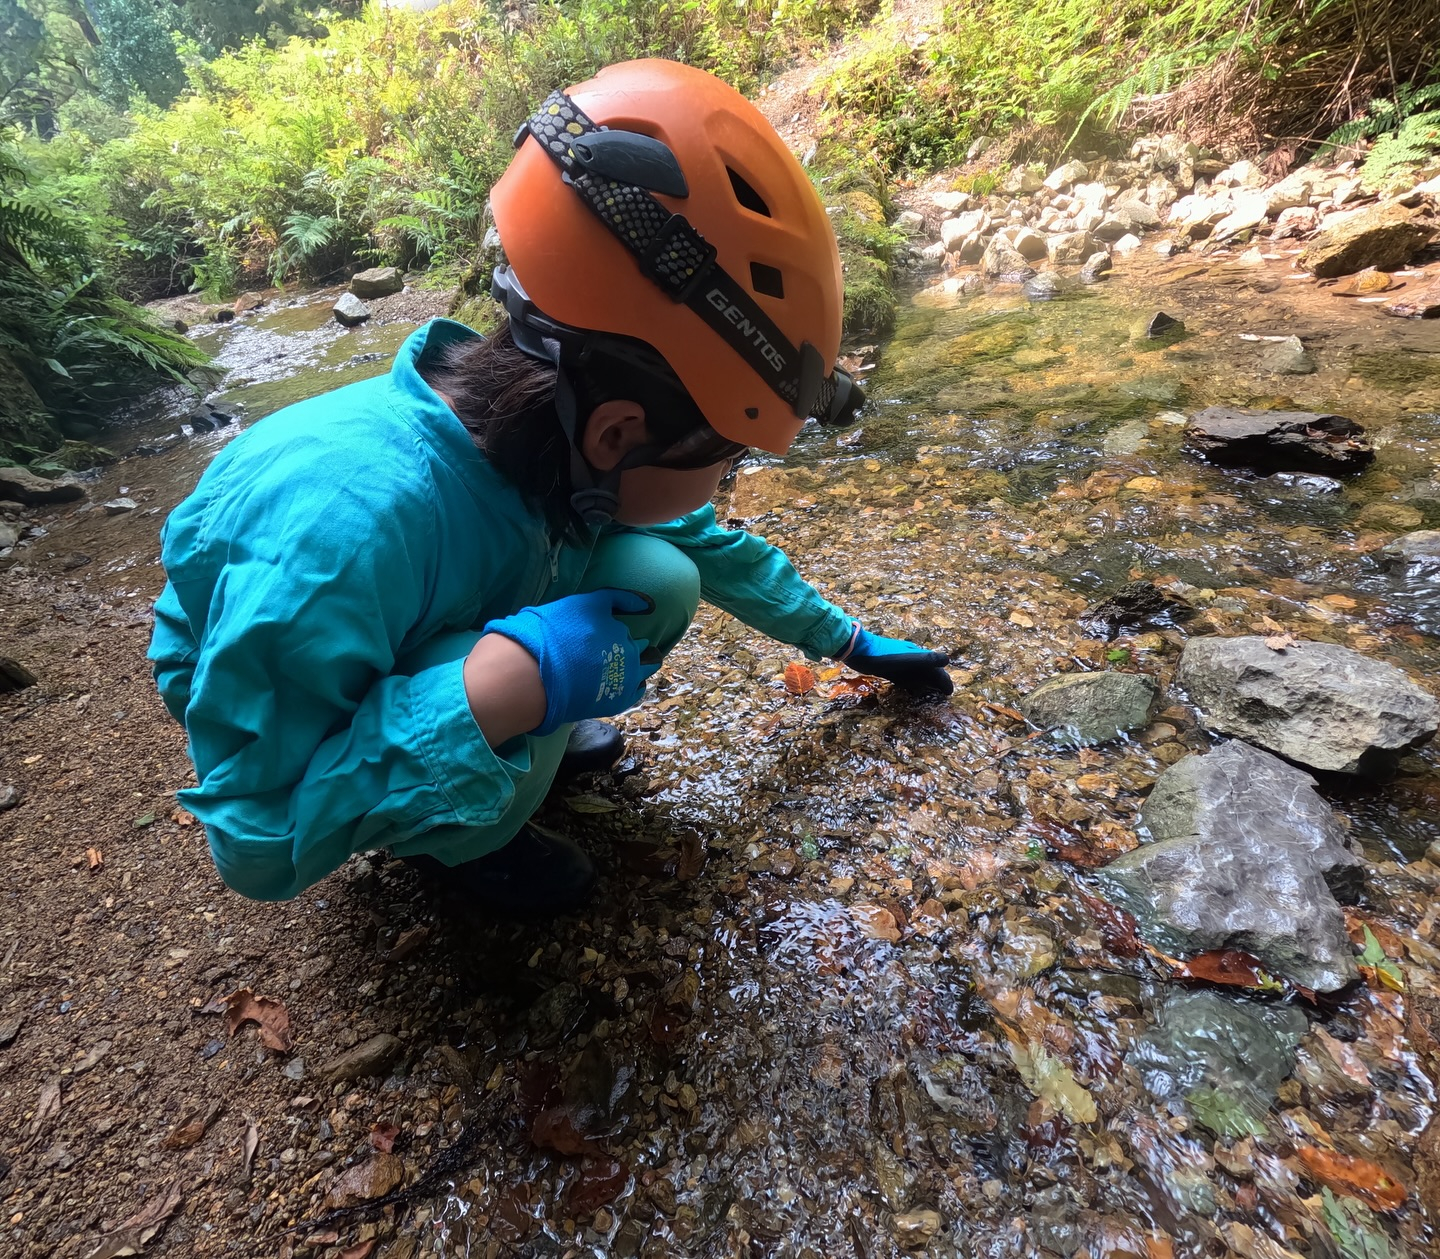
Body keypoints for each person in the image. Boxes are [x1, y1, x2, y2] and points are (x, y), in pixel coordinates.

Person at [147, 59, 952, 915]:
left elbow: (711, 550)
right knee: (536, 662)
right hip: (293, 706)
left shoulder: (546, 436)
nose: (723, 481)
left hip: (411, 601)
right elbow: (255, 839)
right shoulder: (343, 531)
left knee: (663, 576)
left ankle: (507, 736)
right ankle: (459, 840)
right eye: (727, 457)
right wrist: (495, 691)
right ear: (618, 431)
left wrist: (850, 641)